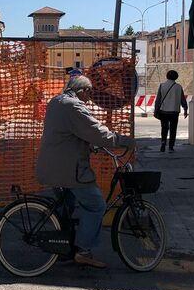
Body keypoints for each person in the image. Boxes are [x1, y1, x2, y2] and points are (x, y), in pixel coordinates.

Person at [35, 74, 134, 269]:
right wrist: (124, 141)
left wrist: (86, 145)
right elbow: (96, 131)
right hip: (69, 170)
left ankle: (65, 248)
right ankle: (83, 251)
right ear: (83, 91)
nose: (90, 99)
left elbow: (67, 133)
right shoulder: (74, 106)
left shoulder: (57, 101)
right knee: (96, 205)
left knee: (67, 207)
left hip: (52, 165)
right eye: (89, 94)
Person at [155, 70, 188, 152]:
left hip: (164, 111)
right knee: (173, 129)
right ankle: (171, 146)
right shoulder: (179, 87)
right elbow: (182, 100)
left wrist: (156, 110)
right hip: (174, 111)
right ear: (176, 77)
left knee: (164, 128)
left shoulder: (162, 86)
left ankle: (163, 143)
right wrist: (185, 109)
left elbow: (158, 100)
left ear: (167, 76)